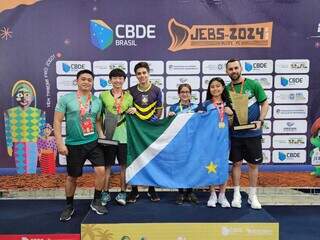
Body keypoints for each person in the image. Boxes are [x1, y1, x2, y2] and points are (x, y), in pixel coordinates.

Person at [54, 69, 107, 222]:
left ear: (92, 83)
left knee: (101, 170)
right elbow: (57, 121)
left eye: (89, 80)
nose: (86, 82)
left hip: (93, 142)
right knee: (72, 177)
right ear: (77, 81)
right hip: (73, 145)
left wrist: (102, 138)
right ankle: (69, 205)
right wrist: (60, 143)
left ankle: (96, 201)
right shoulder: (66, 99)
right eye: (83, 79)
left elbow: (97, 121)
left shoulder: (97, 101)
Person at [225, 58, 269, 209]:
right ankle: (236, 194)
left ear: (241, 68)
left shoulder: (253, 84)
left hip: (253, 134)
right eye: (230, 69)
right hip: (235, 134)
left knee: (253, 164)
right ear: (227, 72)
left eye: (236, 68)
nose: (234, 71)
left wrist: (261, 120)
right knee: (236, 164)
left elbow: (264, 103)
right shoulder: (226, 89)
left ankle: (252, 195)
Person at [99, 68, 136, 206]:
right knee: (107, 166)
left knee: (123, 167)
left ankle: (122, 192)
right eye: (114, 78)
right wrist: (101, 133)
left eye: (120, 78)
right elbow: (98, 117)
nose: (117, 80)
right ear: (110, 80)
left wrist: (134, 109)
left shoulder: (129, 97)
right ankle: (105, 192)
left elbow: (132, 114)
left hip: (124, 137)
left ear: (124, 80)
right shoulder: (103, 96)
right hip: (108, 136)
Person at [127, 62, 163, 203]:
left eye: (144, 72)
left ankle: (151, 189)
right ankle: (134, 190)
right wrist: (131, 110)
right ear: (136, 76)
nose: (142, 75)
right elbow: (127, 109)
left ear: (148, 73)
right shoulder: (130, 91)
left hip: (150, 130)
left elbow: (159, 111)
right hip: (135, 130)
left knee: (150, 157)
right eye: (139, 73)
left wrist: (155, 119)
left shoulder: (156, 90)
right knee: (134, 158)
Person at [201, 77, 234, 208]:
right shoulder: (205, 104)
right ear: (209, 89)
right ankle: (212, 194)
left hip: (224, 141)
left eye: (218, 86)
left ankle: (222, 195)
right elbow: (196, 120)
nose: (215, 89)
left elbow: (232, 124)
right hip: (210, 142)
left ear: (222, 88)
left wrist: (230, 115)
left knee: (223, 167)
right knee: (211, 166)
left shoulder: (228, 103)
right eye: (212, 86)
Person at [168, 83, 199, 205]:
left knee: (191, 166)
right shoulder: (174, 108)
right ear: (179, 94)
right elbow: (169, 127)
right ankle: (180, 192)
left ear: (190, 93)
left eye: (187, 92)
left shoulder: (196, 107)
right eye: (182, 92)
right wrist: (169, 117)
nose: (185, 94)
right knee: (180, 167)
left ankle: (190, 192)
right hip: (178, 142)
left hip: (192, 142)